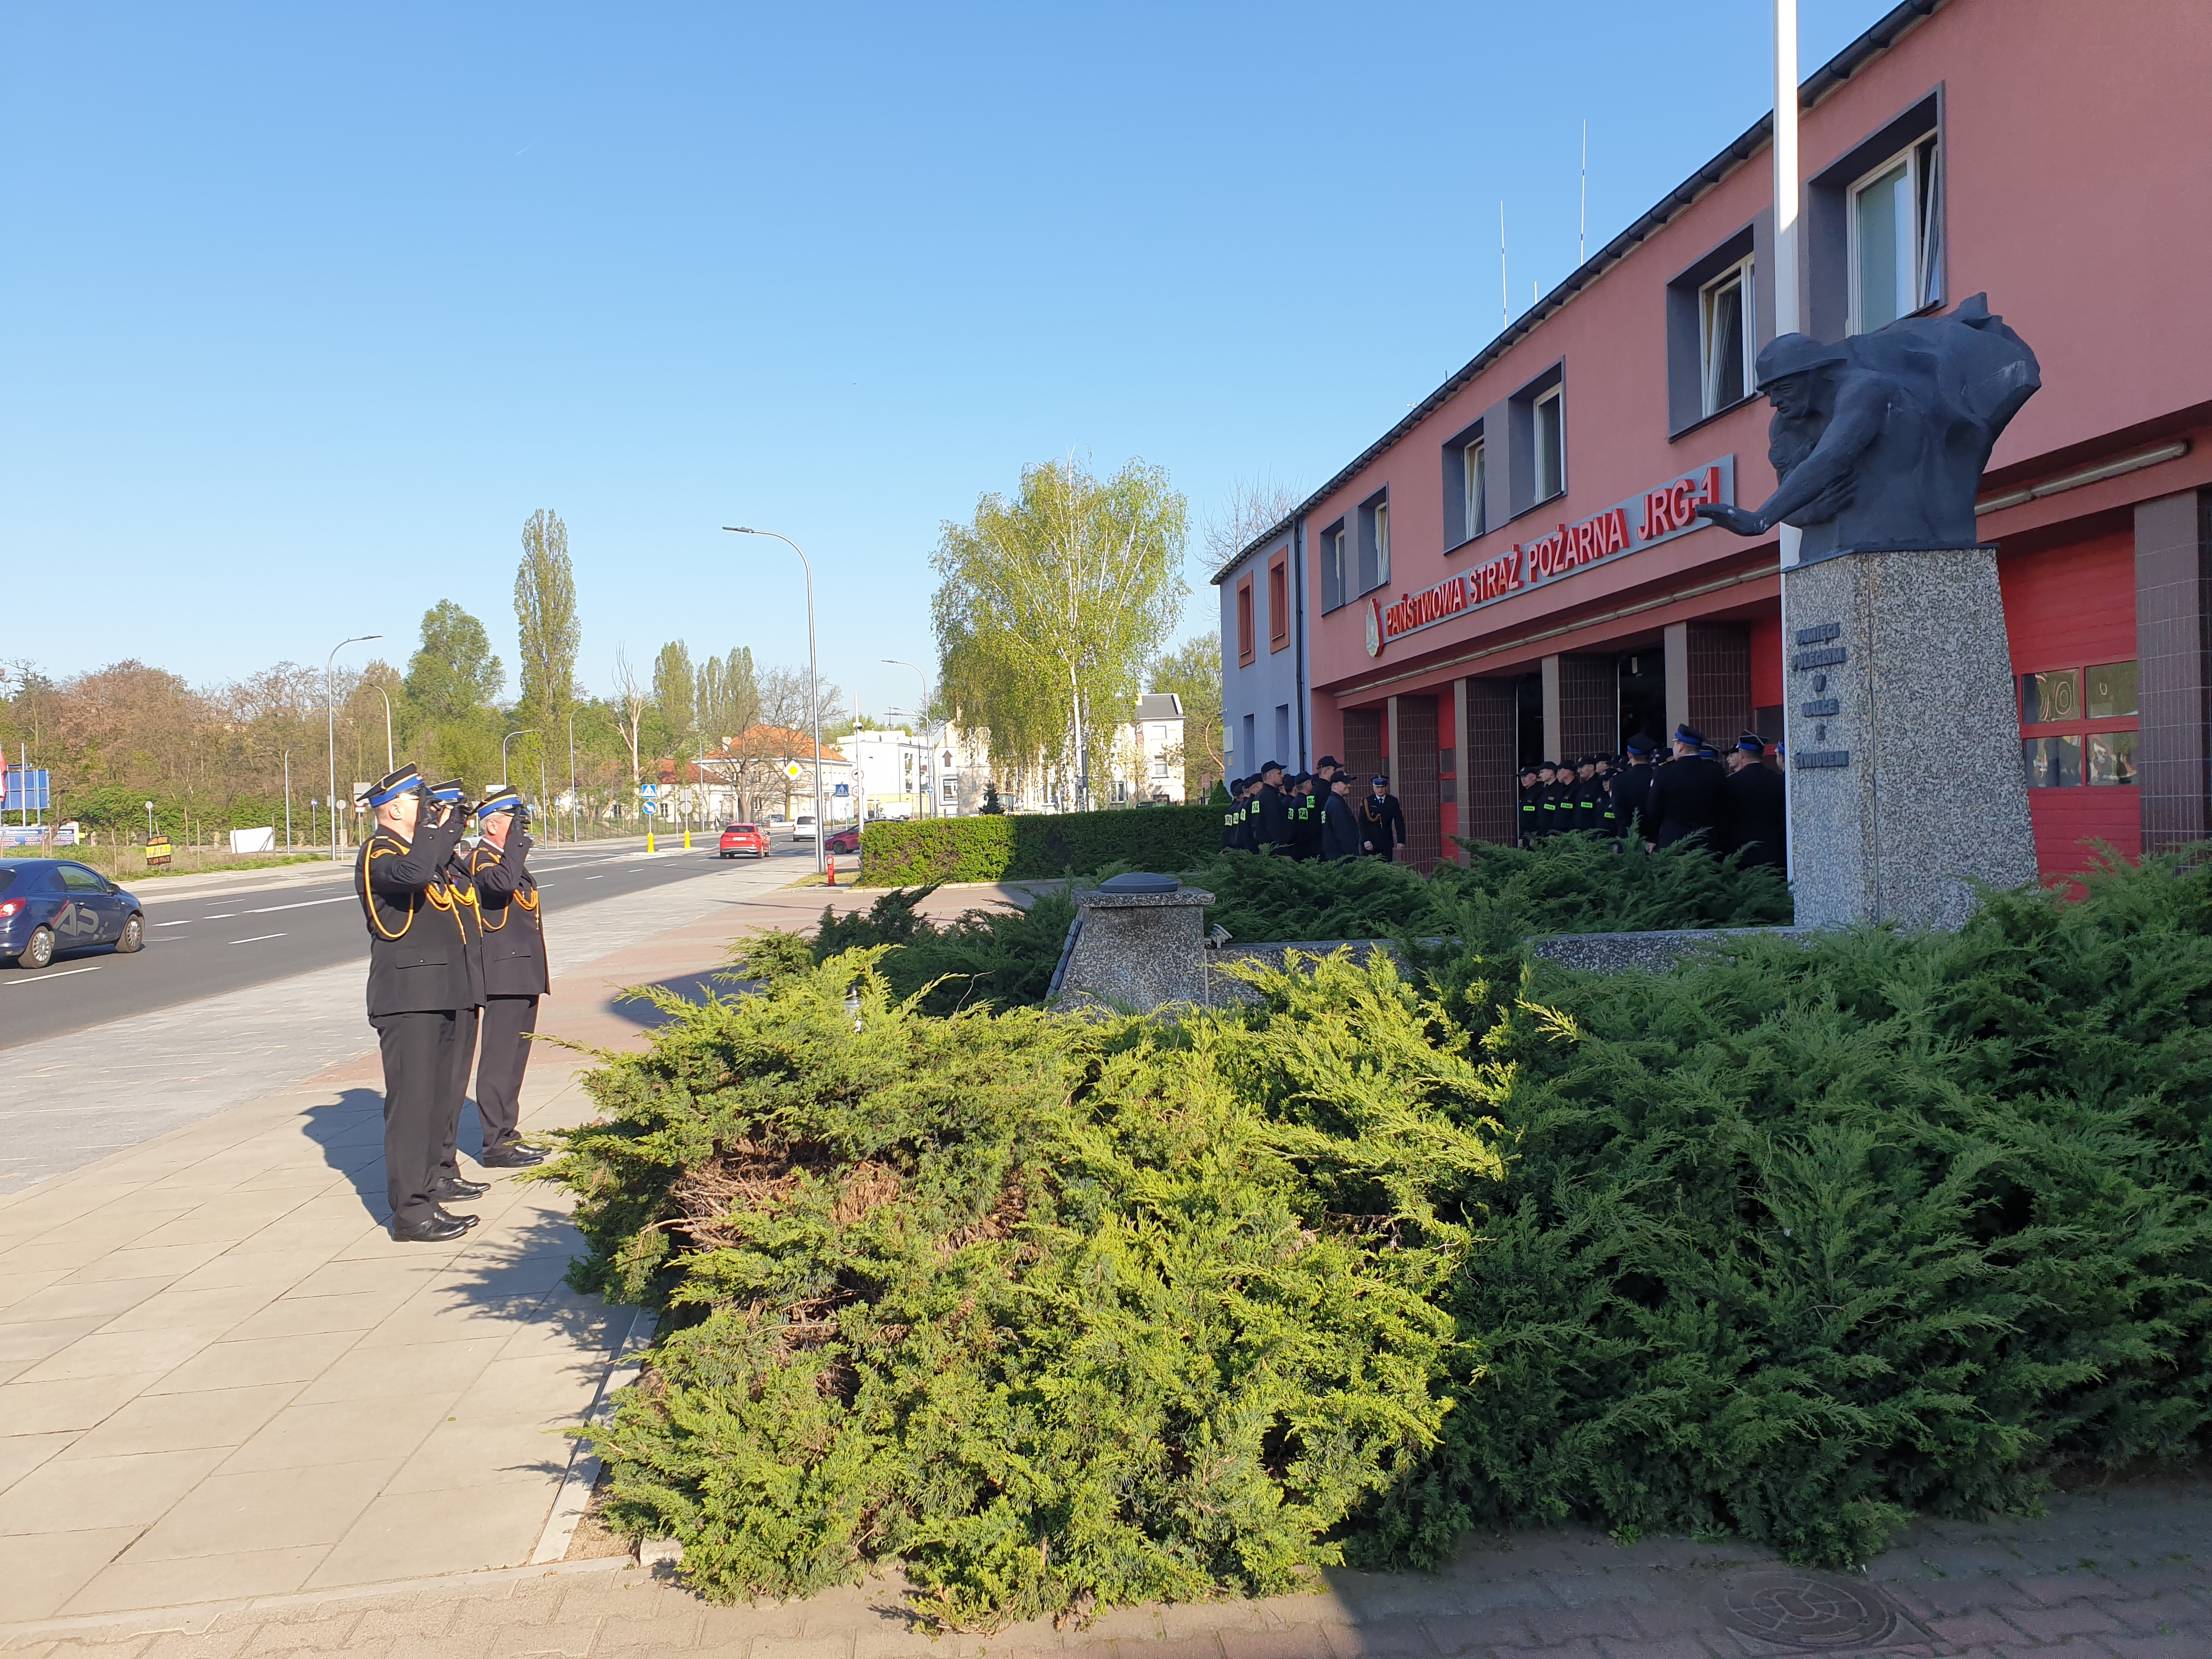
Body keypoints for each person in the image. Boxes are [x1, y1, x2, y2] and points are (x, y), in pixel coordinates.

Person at [357, 764, 481, 1243]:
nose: (426, 807)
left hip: (440, 993)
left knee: (435, 1103)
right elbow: (412, 875)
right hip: (408, 999)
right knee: (412, 1107)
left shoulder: (420, 849)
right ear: (391, 810)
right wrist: (435, 827)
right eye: (417, 801)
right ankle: (411, 1214)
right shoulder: (380, 851)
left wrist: (451, 825)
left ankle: (430, 1193)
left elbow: (437, 867)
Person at [465, 786, 550, 1167]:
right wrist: (516, 846)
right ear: (493, 825)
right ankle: (495, 1144)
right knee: (499, 1062)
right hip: (502, 975)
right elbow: (500, 885)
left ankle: (508, 1133)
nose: (521, 830)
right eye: (514, 823)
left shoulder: (502, 857)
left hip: (522, 971)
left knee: (516, 1061)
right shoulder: (481, 859)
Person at [425, 780, 489, 1213]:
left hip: (465, 983)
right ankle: (436, 1172)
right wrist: (442, 831)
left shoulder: (452, 863)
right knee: (439, 1088)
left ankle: (446, 1168)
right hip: (441, 987)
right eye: (453, 813)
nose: (460, 823)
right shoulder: (428, 860)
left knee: (454, 1085)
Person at [1642, 724, 1729, 850]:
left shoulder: (1664, 772)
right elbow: (1723, 810)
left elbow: (1654, 809)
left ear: (1681, 746)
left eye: (1675, 744)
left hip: (1673, 844)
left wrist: (1653, 838)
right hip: (1706, 843)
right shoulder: (1716, 771)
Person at [1722, 731, 1787, 868]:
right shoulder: (1778, 780)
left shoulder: (1732, 783)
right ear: (1762, 754)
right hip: (1773, 854)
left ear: (1742, 755)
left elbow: (1726, 820)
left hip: (1742, 855)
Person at [1612, 737, 1657, 845]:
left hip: (1628, 840)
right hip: (1654, 840)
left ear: (1630, 755)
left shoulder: (1618, 780)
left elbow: (1619, 813)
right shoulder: (1658, 777)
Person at [1361, 775, 1406, 860]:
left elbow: (1399, 821)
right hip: (1370, 843)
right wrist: (1365, 840)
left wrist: (1401, 841)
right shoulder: (1367, 801)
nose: (1380, 790)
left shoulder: (1392, 801)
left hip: (1386, 842)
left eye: (1383, 787)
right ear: (1373, 788)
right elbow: (1362, 823)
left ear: (1386, 787)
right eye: (1377, 787)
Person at [1321, 773, 1363, 861]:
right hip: (1341, 857)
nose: (1349, 786)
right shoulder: (1336, 804)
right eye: (1345, 783)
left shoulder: (1334, 802)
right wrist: (1352, 855)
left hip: (1337, 855)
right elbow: (1343, 833)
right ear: (1335, 786)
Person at [1255, 761, 1291, 852]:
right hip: (1273, 849)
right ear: (1270, 776)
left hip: (1265, 847)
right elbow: (1274, 825)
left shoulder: (1260, 795)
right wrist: (1283, 851)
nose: (1282, 776)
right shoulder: (1269, 796)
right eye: (1279, 773)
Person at [1288, 774, 1323, 861]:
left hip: (1297, 847)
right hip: (1307, 849)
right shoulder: (1305, 803)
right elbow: (1307, 827)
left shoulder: (1294, 802)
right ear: (1307, 784)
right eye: (1311, 783)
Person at [1516, 765, 1542, 847]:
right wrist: (1521, 836)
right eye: (1521, 777)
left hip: (1535, 835)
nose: (1523, 779)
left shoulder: (1539, 792)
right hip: (1526, 834)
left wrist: (1536, 836)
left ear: (1534, 777)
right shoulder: (1526, 793)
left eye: (1525, 776)